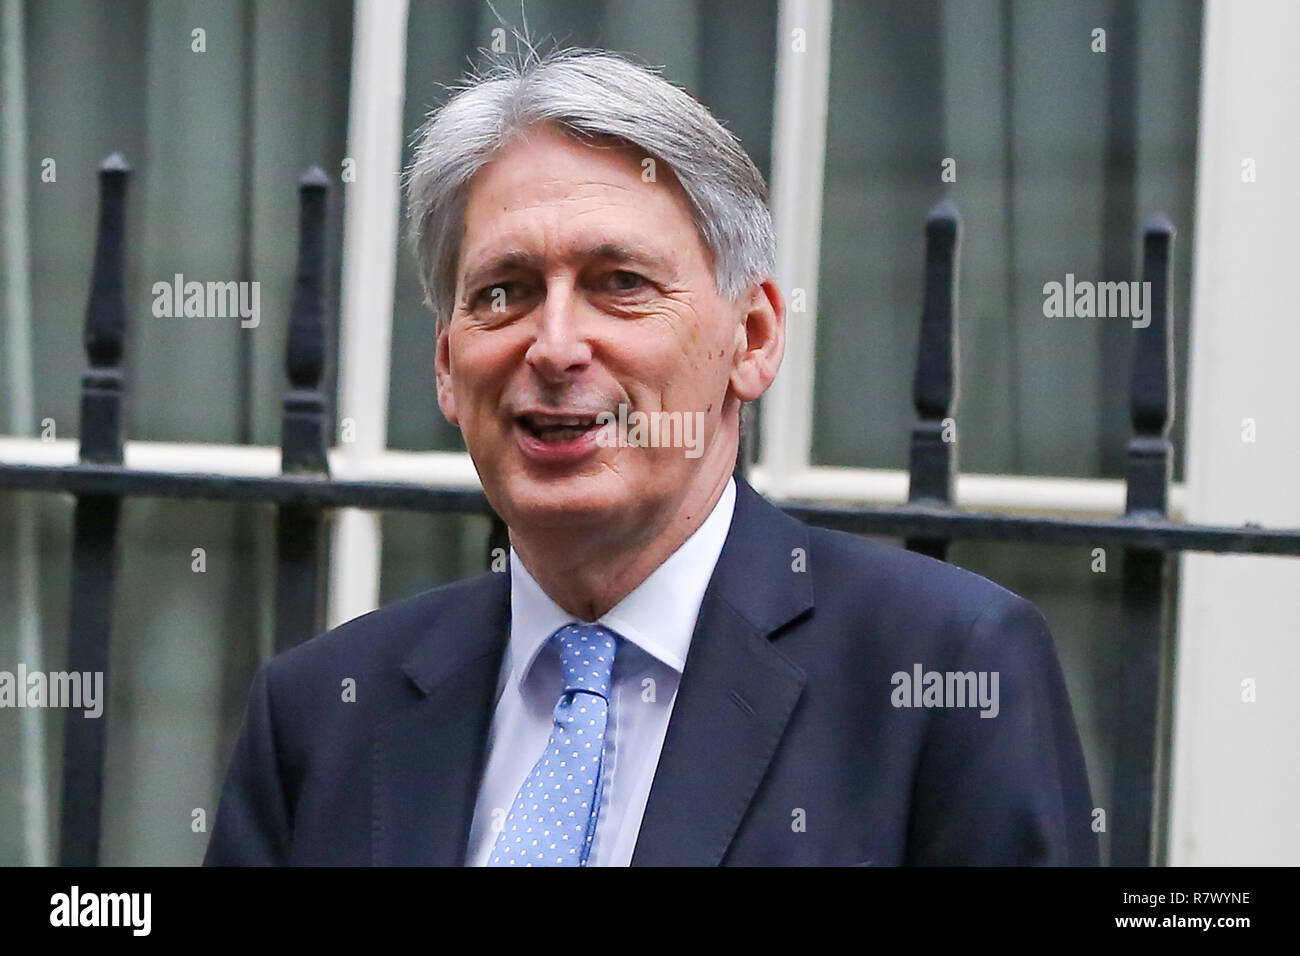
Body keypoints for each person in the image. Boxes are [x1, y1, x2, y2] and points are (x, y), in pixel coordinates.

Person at [204, 47, 1097, 866]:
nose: (553, 346)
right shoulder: (322, 716)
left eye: (620, 284)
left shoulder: (943, 672)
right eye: (504, 293)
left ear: (752, 338)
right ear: (446, 364)